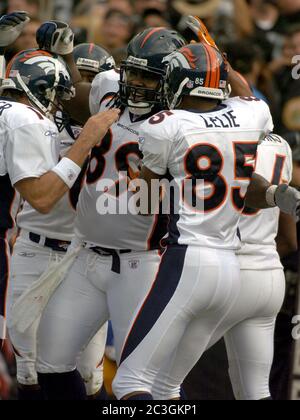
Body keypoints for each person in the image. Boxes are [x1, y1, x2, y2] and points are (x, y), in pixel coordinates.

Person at [112, 42, 300, 400]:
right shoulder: (252, 115)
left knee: (129, 384)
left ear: (181, 82)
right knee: (167, 386)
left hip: (188, 261)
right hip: (230, 269)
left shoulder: (164, 125)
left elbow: (143, 203)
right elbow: (245, 104)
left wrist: (139, 180)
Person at [0, 9, 119, 390]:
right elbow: (42, 195)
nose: (76, 89)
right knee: (31, 369)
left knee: (87, 373)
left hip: (86, 255)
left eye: (89, 81)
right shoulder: (35, 120)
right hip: (35, 248)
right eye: (72, 80)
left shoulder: (120, 127)